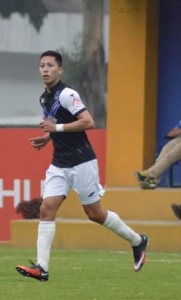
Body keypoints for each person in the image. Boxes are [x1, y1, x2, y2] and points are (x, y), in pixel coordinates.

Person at [16, 50, 148, 282]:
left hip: (82, 161)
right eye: (42, 66)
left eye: (50, 65)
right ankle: (41, 268)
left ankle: (137, 241)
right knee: (47, 209)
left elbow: (88, 122)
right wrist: (48, 138)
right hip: (59, 162)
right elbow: (58, 123)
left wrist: (54, 130)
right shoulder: (44, 97)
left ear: (60, 69)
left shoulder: (68, 94)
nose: (45, 69)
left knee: (95, 213)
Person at [136, 96, 181, 189]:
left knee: (171, 155)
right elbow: (171, 133)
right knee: (164, 152)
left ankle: (148, 174)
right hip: (179, 139)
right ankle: (153, 180)